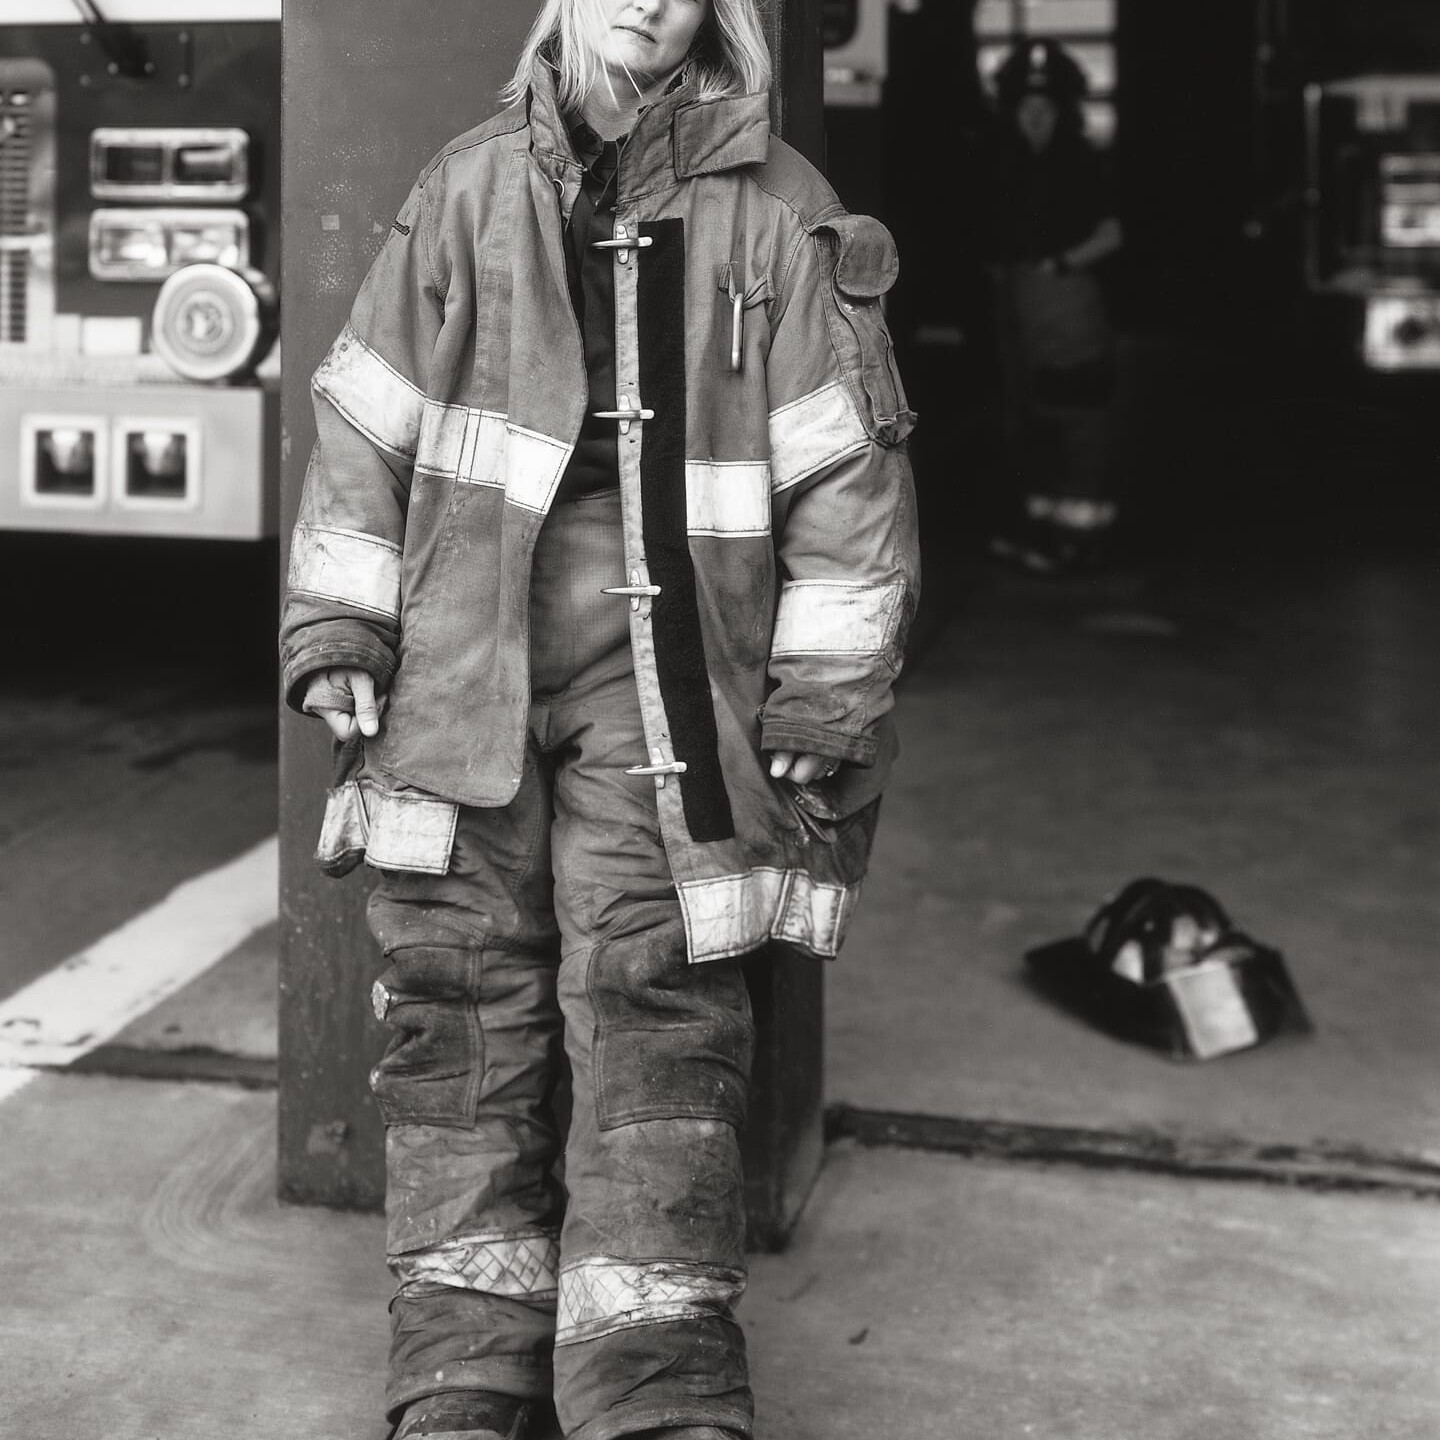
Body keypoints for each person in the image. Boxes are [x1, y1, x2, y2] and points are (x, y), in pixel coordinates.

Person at [279, 1, 919, 1437]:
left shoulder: (781, 211)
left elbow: (851, 480)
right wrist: (338, 629)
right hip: (458, 674)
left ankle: (656, 1386)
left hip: (668, 690)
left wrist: (828, 689)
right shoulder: (465, 188)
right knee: (457, 1003)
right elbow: (364, 428)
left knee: (657, 1005)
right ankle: (461, 1376)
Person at [980, 39, 1123, 576]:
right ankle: (1040, 531)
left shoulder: (1084, 163)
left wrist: (1060, 266)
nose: (1035, 117)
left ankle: (1080, 538)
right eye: (1026, 107)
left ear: (1063, 111)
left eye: (1045, 107)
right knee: (1025, 413)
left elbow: (1113, 233)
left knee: (1076, 408)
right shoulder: (1005, 164)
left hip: (1066, 299)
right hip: (1015, 301)